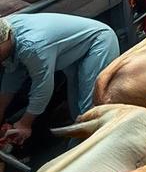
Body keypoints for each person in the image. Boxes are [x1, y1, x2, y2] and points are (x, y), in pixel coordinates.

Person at [0, 13, 120, 145]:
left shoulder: (31, 46)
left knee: (90, 113)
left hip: (98, 43)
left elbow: (42, 87)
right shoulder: (7, 32)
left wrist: (25, 124)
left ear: (8, 36)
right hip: (75, 54)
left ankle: (81, 155)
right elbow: (12, 78)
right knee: (77, 111)